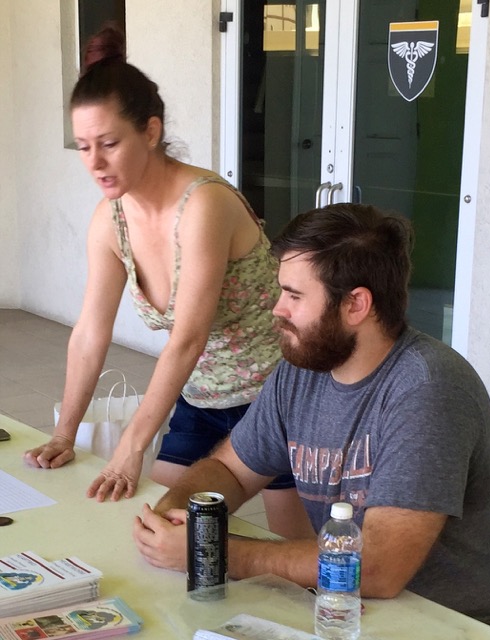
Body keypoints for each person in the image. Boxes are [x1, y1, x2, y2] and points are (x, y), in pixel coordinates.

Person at [133, 202, 490, 640]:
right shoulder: (300, 372)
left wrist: (219, 554)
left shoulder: (428, 388)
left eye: (294, 296)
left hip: (483, 625)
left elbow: (378, 567)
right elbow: (229, 471)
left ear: (356, 304)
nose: (277, 310)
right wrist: (182, 513)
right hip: (368, 611)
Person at [22, 24, 312, 538]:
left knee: (295, 559)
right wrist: (65, 432)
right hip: (201, 397)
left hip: (275, 396)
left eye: (109, 143)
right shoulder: (109, 221)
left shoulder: (203, 204)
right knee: (154, 530)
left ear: (151, 132)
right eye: (84, 146)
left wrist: (133, 445)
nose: (95, 162)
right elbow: (90, 332)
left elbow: (188, 337)